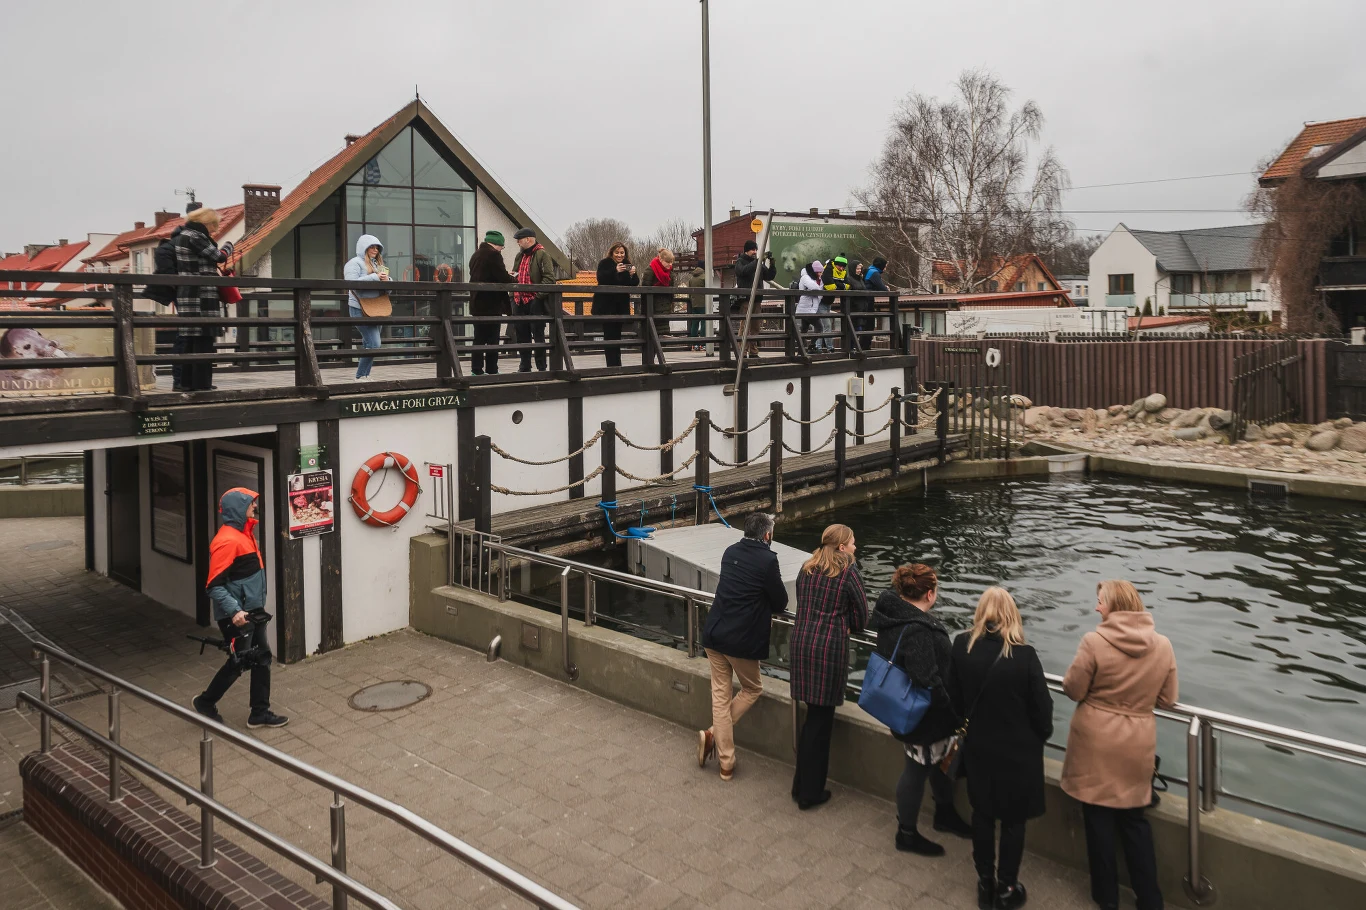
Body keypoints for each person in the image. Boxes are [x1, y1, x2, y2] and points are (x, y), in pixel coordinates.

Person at [1062, 580, 1178, 910]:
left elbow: (1073, 689)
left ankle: (1106, 897)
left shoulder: (1094, 641)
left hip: (1095, 743)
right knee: (1135, 822)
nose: (1097, 607)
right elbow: (1169, 699)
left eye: (1100, 601)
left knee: (1097, 821)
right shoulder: (1163, 644)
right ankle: (1150, 899)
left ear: (1113, 606)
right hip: (1137, 744)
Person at [948, 587, 1053, 910]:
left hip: (979, 746)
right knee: (1013, 821)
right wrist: (1038, 736)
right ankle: (1007, 886)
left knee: (982, 814)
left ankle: (985, 882)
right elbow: (1043, 711)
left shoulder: (961, 646)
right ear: (1012, 614)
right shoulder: (1024, 656)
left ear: (980, 612)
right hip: (1018, 753)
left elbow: (953, 698)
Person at [869, 563, 973, 856]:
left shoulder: (892, 617)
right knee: (916, 771)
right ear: (929, 594)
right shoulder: (919, 630)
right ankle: (907, 834)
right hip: (925, 717)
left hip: (903, 709)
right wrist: (952, 711)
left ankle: (944, 814)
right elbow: (927, 678)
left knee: (935, 762)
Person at [696, 512, 788, 781]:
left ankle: (726, 763)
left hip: (715, 633)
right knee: (752, 687)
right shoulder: (768, 559)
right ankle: (713, 737)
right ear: (767, 536)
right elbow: (780, 602)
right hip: (741, 639)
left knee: (720, 697)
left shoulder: (729, 551)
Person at [192, 489, 287, 729]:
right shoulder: (227, 541)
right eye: (251, 504)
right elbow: (213, 586)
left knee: (261, 658)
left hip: (251, 611)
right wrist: (235, 611)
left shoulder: (244, 534)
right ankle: (205, 702)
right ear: (238, 508)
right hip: (238, 616)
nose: (255, 507)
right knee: (240, 661)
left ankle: (259, 712)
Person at [790, 524, 867, 809]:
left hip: (801, 643)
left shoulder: (806, 568)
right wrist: (846, 623)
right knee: (820, 725)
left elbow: (803, 603)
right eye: (853, 543)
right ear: (843, 547)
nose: (856, 547)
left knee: (812, 720)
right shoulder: (848, 572)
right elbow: (862, 617)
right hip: (827, 650)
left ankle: (801, 785)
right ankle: (810, 793)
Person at [173, 207, 233, 391]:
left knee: (191, 341)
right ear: (207, 223)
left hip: (189, 294)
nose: (213, 230)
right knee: (204, 340)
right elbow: (218, 256)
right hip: (201, 295)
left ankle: (187, 382)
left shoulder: (184, 235)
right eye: (213, 226)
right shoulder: (196, 236)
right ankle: (202, 383)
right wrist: (229, 246)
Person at [468, 230, 516, 376]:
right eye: (502, 247)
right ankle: (492, 369)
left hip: (477, 303)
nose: (502, 249)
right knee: (492, 339)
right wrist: (514, 278)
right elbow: (503, 277)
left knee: (479, 339)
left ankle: (476, 370)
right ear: (497, 244)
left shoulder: (475, 255)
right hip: (491, 304)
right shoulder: (493, 255)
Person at [343, 234, 390, 380]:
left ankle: (365, 375)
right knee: (374, 344)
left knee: (369, 343)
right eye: (372, 247)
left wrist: (387, 280)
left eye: (377, 247)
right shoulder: (354, 263)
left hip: (377, 307)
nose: (375, 250)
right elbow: (351, 284)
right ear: (364, 248)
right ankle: (360, 376)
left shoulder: (377, 264)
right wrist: (375, 277)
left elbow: (386, 290)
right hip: (359, 308)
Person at [511, 227, 556, 373]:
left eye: (520, 239)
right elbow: (516, 274)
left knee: (538, 334)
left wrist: (537, 297)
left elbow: (549, 279)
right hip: (519, 300)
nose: (518, 242)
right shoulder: (520, 256)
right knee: (521, 334)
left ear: (528, 239)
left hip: (534, 300)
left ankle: (541, 367)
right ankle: (524, 366)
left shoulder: (542, 255)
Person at [593, 242, 638, 368]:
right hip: (607, 306)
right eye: (617, 252)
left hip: (620, 306)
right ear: (612, 252)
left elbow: (633, 284)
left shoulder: (627, 264)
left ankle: (617, 364)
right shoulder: (605, 263)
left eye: (622, 252)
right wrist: (615, 271)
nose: (620, 255)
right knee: (609, 335)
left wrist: (632, 274)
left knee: (617, 336)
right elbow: (601, 279)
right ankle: (611, 365)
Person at [731, 240, 776, 358]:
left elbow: (769, 276)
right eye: (752, 250)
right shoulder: (740, 262)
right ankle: (742, 351)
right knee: (745, 325)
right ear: (746, 250)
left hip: (757, 299)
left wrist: (772, 264)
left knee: (755, 326)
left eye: (755, 250)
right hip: (746, 298)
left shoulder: (758, 263)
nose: (754, 252)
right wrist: (757, 261)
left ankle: (753, 351)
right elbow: (743, 271)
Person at [639, 247, 676, 343]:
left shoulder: (670, 272)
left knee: (662, 337)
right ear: (661, 260)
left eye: (671, 262)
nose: (670, 264)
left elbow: (671, 289)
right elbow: (645, 289)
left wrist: (671, 302)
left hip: (665, 307)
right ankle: (650, 357)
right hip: (653, 307)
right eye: (668, 262)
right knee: (651, 336)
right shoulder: (650, 270)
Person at [821, 255, 853, 352]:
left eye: (843, 267)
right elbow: (829, 286)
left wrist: (837, 284)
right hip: (820, 301)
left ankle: (819, 347)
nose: (841, 268)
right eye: (840, 266)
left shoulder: (843, 272)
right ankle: (829, 348)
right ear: (835, 264)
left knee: (821, 326)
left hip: (829, 301)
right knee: (826, 326)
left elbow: (848, 285)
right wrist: (840, 285)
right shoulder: (828, 269)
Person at [796, 260, 826, 353]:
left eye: (821, 272)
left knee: (804, 330)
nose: (820, 274)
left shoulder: (817, 279)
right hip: (806, 308)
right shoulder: (805, 277)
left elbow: (819, 291)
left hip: (810, 308)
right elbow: (815, 288)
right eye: (819, 272)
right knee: (819, 327)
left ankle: (802, 350)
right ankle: (811, 346)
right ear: (814, 271)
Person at [864, 257, 891, 345]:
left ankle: (864, 345)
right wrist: (886, 288)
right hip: (868, 301)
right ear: (881, 266)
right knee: (870, 324)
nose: (885, 268)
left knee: (866, 324)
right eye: (885, 266)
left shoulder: (869, 270)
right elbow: (882, 288)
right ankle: (866, 346)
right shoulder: (874, 273)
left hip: (864, 300)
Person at [849, 260, 874, 342]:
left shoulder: (860, 279)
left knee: (860, 329)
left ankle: (856, 347)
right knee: (854, 329)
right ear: (853, 269)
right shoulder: (849, 279)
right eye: (857, 269)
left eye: (860, 268)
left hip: (862, 307)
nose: (859, 270)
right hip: (854, 308)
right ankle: (852, 348)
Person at [686, 265, 707, 350]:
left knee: (694, 324)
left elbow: (690, 292)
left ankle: (694, 344)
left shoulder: (691, 279)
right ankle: (703, 343)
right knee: (704, 323)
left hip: (694, 304)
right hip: (704, 303)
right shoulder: (705, 277)